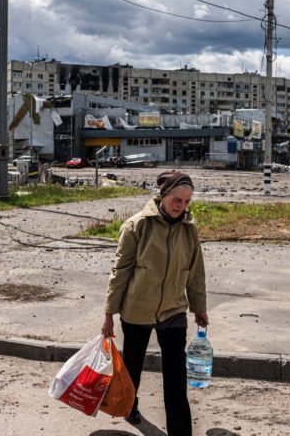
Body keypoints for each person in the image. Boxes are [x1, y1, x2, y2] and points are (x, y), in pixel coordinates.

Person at [102, 170, 208, 436]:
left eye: (187, 201)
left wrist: (199, 308)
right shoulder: (137, 225)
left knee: (175, 375)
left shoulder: (189, 230)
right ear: (163, 196)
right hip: (137, 309)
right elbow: (121, 271)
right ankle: (130, 406)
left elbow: (195, 272)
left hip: (173, 310)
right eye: (177, 200)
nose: (181, 206)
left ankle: (180, 432)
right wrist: (109, 313)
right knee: (132, 366)